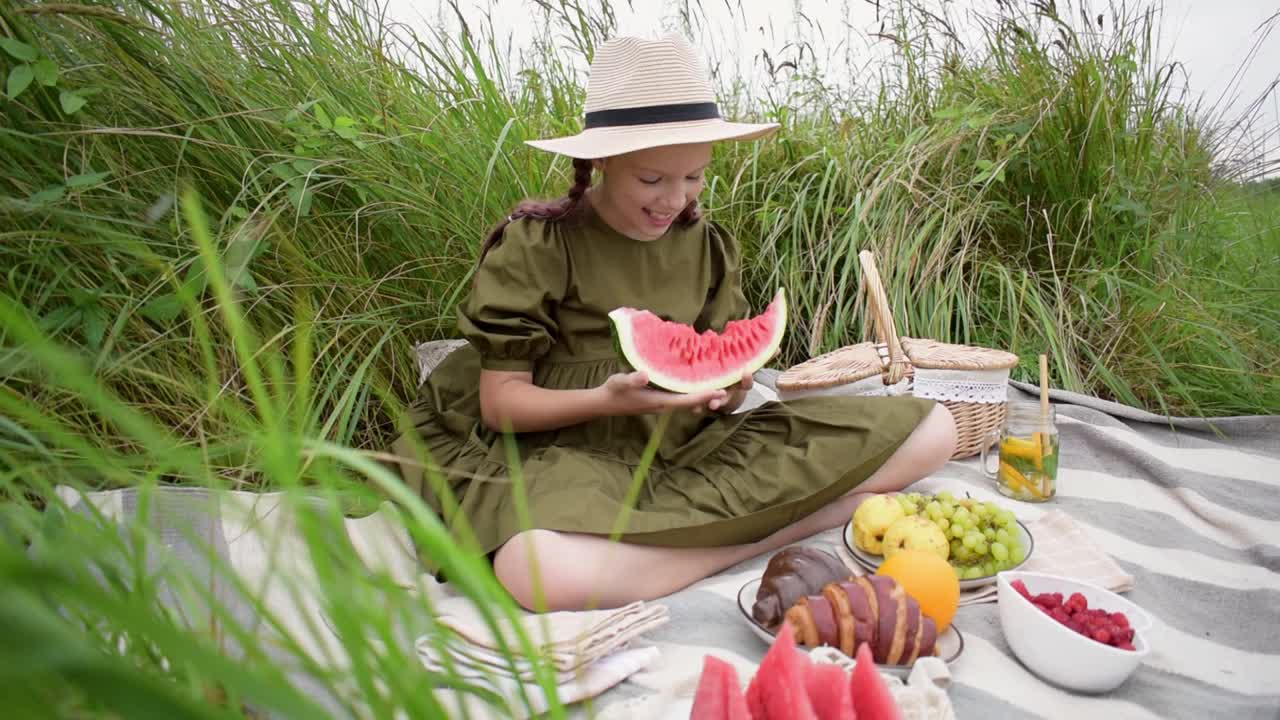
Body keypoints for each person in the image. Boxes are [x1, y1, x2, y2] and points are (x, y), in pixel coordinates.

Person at [389, 35, 957, 612]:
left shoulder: (706, 245)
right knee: (536, 569)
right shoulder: (539, 244)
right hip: (555, 452)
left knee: (936, 428)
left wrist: (730, 391)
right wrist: (608, 402)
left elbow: (724, 379)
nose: (674, 200)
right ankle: (775, 531)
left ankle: (678, 553)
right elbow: (501, 405)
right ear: (601, 162)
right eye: (652, 179)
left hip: (681, 445)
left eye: (694, 177)